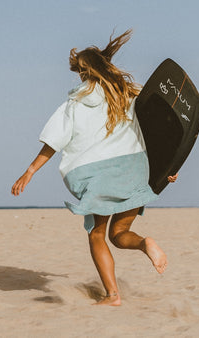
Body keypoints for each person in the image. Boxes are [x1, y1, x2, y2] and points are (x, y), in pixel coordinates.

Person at [12, 29, 176, 306]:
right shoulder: (129, 95)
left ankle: (112, 295)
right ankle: (144, 243)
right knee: (119, 234)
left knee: (97, 234)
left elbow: (54, 141)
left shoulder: (74, 103)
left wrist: (30, 171)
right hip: (134, 169)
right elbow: (159, 129)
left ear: (83, 73)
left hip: (99, 174)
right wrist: (167, 167)